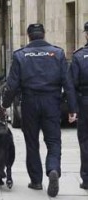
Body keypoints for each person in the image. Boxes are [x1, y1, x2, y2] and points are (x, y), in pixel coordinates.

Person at [1, 23, 77, 197]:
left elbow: (12, 86)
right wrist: (72, 108)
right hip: (52, 102)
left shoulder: (20, 55)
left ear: (28, 36)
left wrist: (5, 104)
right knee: (53, 141)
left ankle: (36, 181)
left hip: (30, 103)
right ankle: (53, 169)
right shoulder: (57, 53)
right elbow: (68, 83)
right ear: (43, 34)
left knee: (32, 142)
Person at [69, 21, 88, 189]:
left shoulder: (79, 56)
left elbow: (72, 85)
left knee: (85, 140)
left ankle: (87, 179)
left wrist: (72, 108)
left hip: (85, 102)